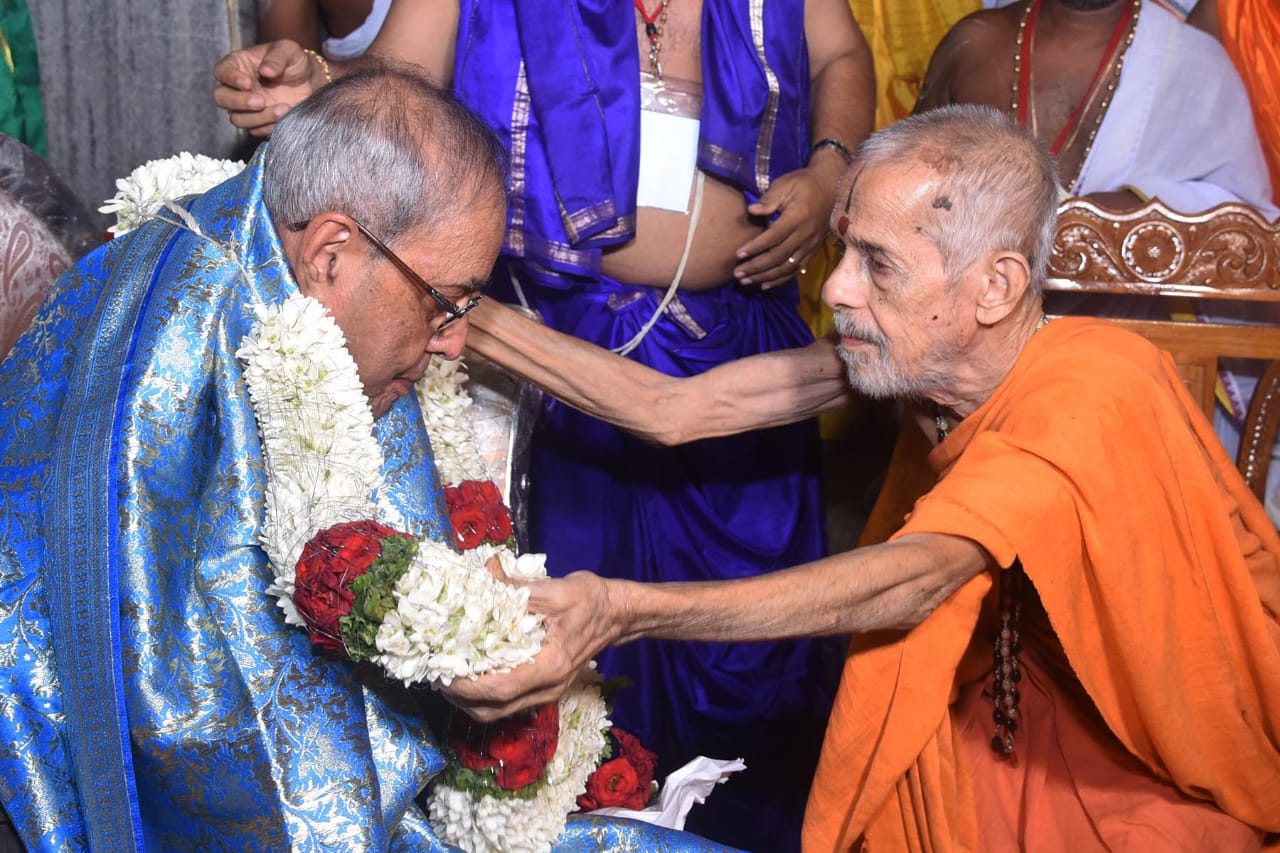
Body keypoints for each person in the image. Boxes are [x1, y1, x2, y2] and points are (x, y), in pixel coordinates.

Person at [450, 105, 1280, 850]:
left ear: (995, 287)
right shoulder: (914, 355)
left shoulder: (1092, 388)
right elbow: (676, 409)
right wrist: (465, 314)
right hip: (1010, 715)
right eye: (845, 250)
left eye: (878, 266)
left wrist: (623, 609)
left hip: (1164, 753)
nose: (838, 289)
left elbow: (914, 581)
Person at [0, 64, 731, 853]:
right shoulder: (180, 359)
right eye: (445, 302)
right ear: (331, 254)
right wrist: (447, 670)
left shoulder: (270, 257)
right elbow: (207, 722)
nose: (455, 339)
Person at [213, 4, 875, 849]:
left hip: (749, 344)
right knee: (574, 653)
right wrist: (317, 81)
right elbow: (398, 80)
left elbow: (841, 55)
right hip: (558, 352)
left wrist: (830, 168)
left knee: (758, 649)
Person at [916, 0, 1276, 217]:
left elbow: (1246, 222)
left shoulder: (1196, 62)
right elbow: (908, 182)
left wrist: (1136, 206)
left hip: (1133, 330)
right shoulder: (974, 44)